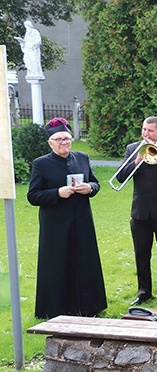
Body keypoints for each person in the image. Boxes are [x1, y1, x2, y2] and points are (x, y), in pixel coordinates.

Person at [27, 117, 107, 319]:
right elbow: (33, 196)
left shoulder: (82, 157)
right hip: (56, 224)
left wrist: (89, 188)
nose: (64, 142)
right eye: (59, 139)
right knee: (59, 263)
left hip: (82, 221)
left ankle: (89, 306)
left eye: (67, 139)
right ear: (50, 142)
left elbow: (95, 184)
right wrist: (56, 193)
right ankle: (58, 308)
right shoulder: (41, 164)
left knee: (84, 261)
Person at [116, 117, 157, 306]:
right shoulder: (132, 149)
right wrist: (136, 161)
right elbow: (120, 177)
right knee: (141, 254)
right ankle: (143, 292)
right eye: (144, 129)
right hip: (140, 211)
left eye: (150, 131)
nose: (146, 134)